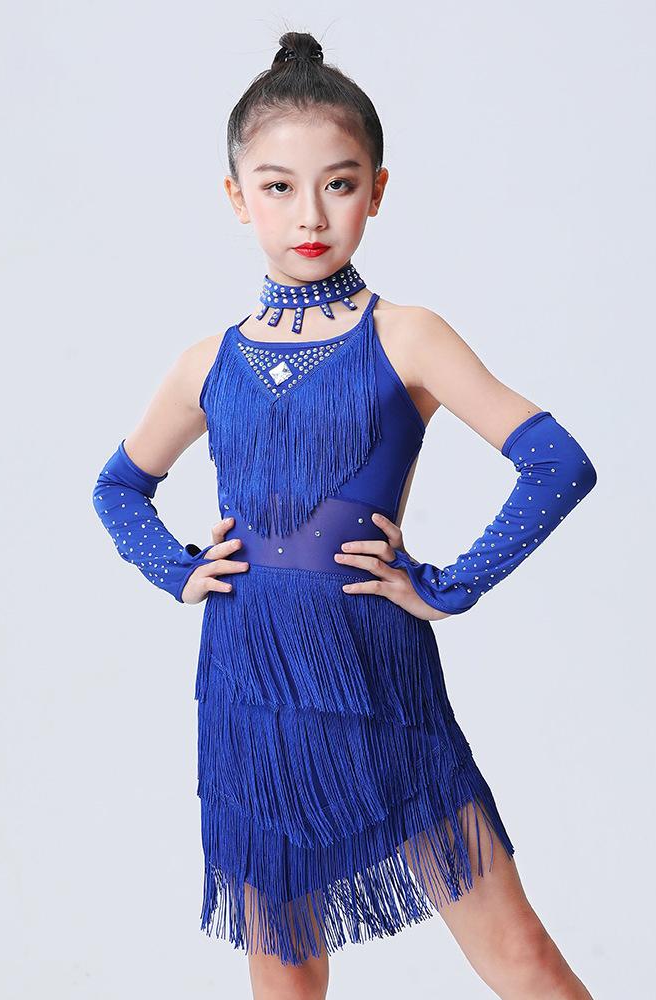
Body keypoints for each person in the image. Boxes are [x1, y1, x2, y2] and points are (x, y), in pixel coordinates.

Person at [93, 29, 597, 1000]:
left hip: (375, 673)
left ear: (377, 189)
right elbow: (118, 487)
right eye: (278, 186)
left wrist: (449, 585)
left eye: (338, 182)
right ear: (236, 197)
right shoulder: (209, 361)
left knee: (519, 954)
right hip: (245, 685)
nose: (310, 213)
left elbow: (555, 463)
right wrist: (178, 568)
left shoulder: (408, 336)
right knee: (285, 973)